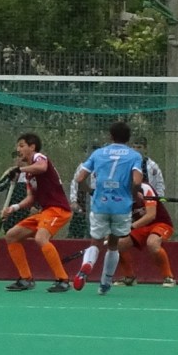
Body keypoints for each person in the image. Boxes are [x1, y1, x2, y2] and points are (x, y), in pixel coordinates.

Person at [72, 121, 143, 295]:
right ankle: (105, 283)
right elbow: (136, 182)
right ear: (128, 138)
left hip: (100, 204)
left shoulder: (98, 153)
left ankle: (87, 265)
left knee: (95, 242)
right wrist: (134, 195)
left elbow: (80, 178)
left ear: (110, 136)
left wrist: (90, 191)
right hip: (121, 206)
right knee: (113, 244)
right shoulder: (134, 156)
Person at [0, 133, 74, 293]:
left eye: (21, 145)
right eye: (17, 146)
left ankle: (63, 280)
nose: (18, 149)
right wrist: (13, 208)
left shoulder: (39, 158)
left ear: (32, 147)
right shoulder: (28, 174)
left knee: (41, 237)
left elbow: (42, 167)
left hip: (58, 209)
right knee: (12, 235)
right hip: (45, 212)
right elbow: (31, 198)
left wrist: (18, 169)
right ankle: (25, 279)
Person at [115, 182, 176, 287]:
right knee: (118, 244)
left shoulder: (145, 188)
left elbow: (151, 215)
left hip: (160, 223)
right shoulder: (119, 193)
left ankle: (169, 277)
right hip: (140, 227)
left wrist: (130, 227)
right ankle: (129, 277)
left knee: (152, 243)